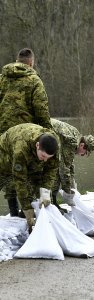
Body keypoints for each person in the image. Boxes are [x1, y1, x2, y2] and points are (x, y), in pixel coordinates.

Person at [0, 48, 52, 217]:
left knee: (8, 167)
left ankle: (14, 209)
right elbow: (41, 110)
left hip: (4, 132)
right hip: (26, 133)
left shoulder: (2, 78)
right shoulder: (34, 80)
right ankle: (26, 210)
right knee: (27, 170)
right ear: (31, 63)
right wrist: (47, 133)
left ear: (17, 60)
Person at [0, 124, 59, 232]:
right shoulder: (21, 150)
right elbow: (20, 181)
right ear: (37, 145)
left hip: (30, 154)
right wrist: (27, 210)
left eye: (48, 158)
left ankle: (25, 216)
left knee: (36, 186)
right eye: (43, 157)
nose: (45, 160)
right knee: (8, 179)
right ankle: (22, 214)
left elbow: (51, 171)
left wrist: (45, 192)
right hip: (4, 153)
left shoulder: (53, 145)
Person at [50, 119, 94, 207]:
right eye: (85, 153)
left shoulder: (76, 137)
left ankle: (53, 200)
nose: (82, 155)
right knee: (54, 169)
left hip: (49, 134)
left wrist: (73, 187)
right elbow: (64, 169)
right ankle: (51, 200)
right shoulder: (72, 142)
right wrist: (68, 192)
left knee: (58, 168)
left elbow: (69, 166)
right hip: (43, 131)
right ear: (82, 145)